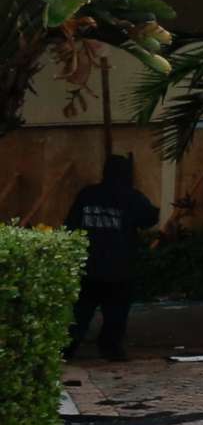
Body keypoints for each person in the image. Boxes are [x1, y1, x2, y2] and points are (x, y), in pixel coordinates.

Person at [66, 153, 158, 361]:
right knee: (116, 312)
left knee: (81, 311)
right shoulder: (131, 197)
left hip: (87, 265)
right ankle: (110, 348)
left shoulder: (87, 195)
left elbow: (70, 225)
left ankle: (68, 347)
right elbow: (150, 218)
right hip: (119, 267)